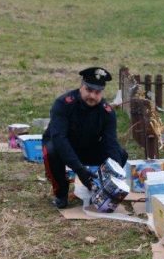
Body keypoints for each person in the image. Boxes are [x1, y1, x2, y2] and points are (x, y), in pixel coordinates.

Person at [43, 67, 128, 209]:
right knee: (51, 150)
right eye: (89, 90)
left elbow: (111, 143)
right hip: (64, 147)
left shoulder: (107, 112)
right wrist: (80, 170)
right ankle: (61, 194)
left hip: (88, 147)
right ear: (81, 87)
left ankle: (103, 192)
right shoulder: (63, 104)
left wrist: (115, 175)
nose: (93, 96)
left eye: (97, 92)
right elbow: (59, 139)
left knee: (120, 153)